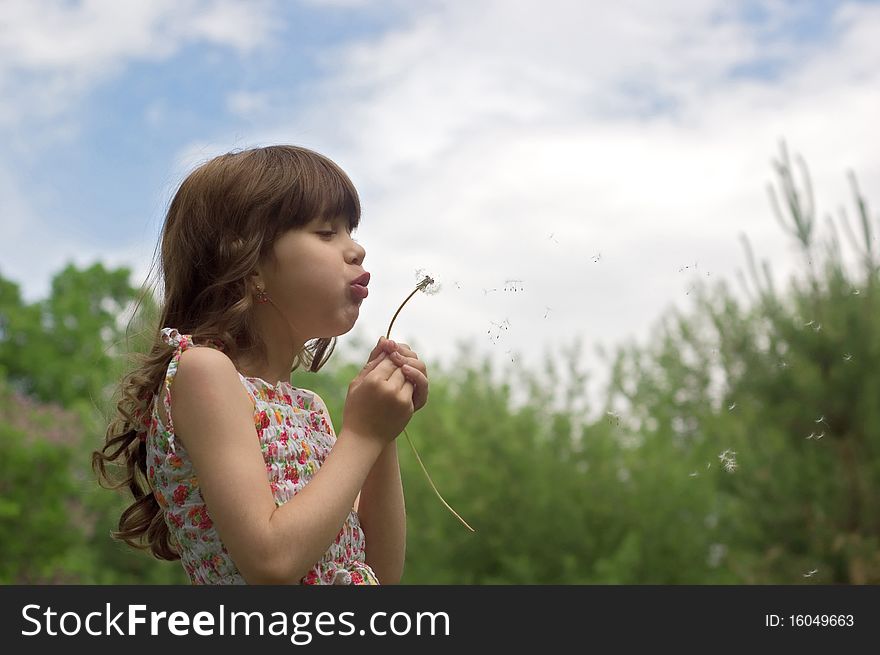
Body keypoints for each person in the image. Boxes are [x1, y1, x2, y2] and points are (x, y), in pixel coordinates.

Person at [92, 145, 428, 585]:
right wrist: (363, 434)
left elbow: (380, 575)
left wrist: (382, 434)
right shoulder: (203, 372)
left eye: (350, 231)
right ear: (247, 261)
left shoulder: (308, 409)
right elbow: (271, 562)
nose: (356, 249)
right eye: (327, 232)